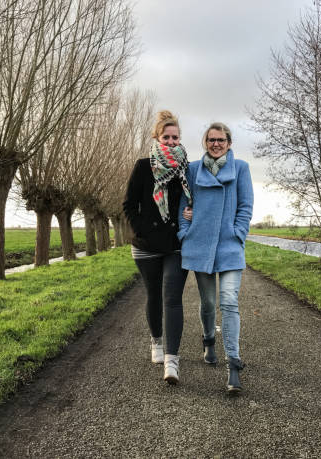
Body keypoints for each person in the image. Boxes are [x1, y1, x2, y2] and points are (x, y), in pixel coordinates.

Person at [178, 122, 253, 393]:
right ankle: (208, 340)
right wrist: (184, 231)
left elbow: (246, 205)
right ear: (205, 142)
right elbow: (183, 205)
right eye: (211, 140)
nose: (216, 144)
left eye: (221, 140)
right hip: (200, 245)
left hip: (230, 246)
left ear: (229, 143)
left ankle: (233, 362)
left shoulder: (241, 168)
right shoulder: (193, 169)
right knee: (208, 302)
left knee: (229, 301)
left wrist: (238, 233)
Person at [123, 110, 192, 385]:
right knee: (153, 294)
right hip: (146, 245)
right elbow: (129, 206)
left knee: (172, 298)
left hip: (176, 245)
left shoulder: (186, 168)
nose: (172, 141)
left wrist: (191, 213)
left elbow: (192, 200)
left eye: (176, 137)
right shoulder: (143, 166)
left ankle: (172, 362)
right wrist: (143, 229)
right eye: (167, 137)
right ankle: (156, 342)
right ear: (157, 138)